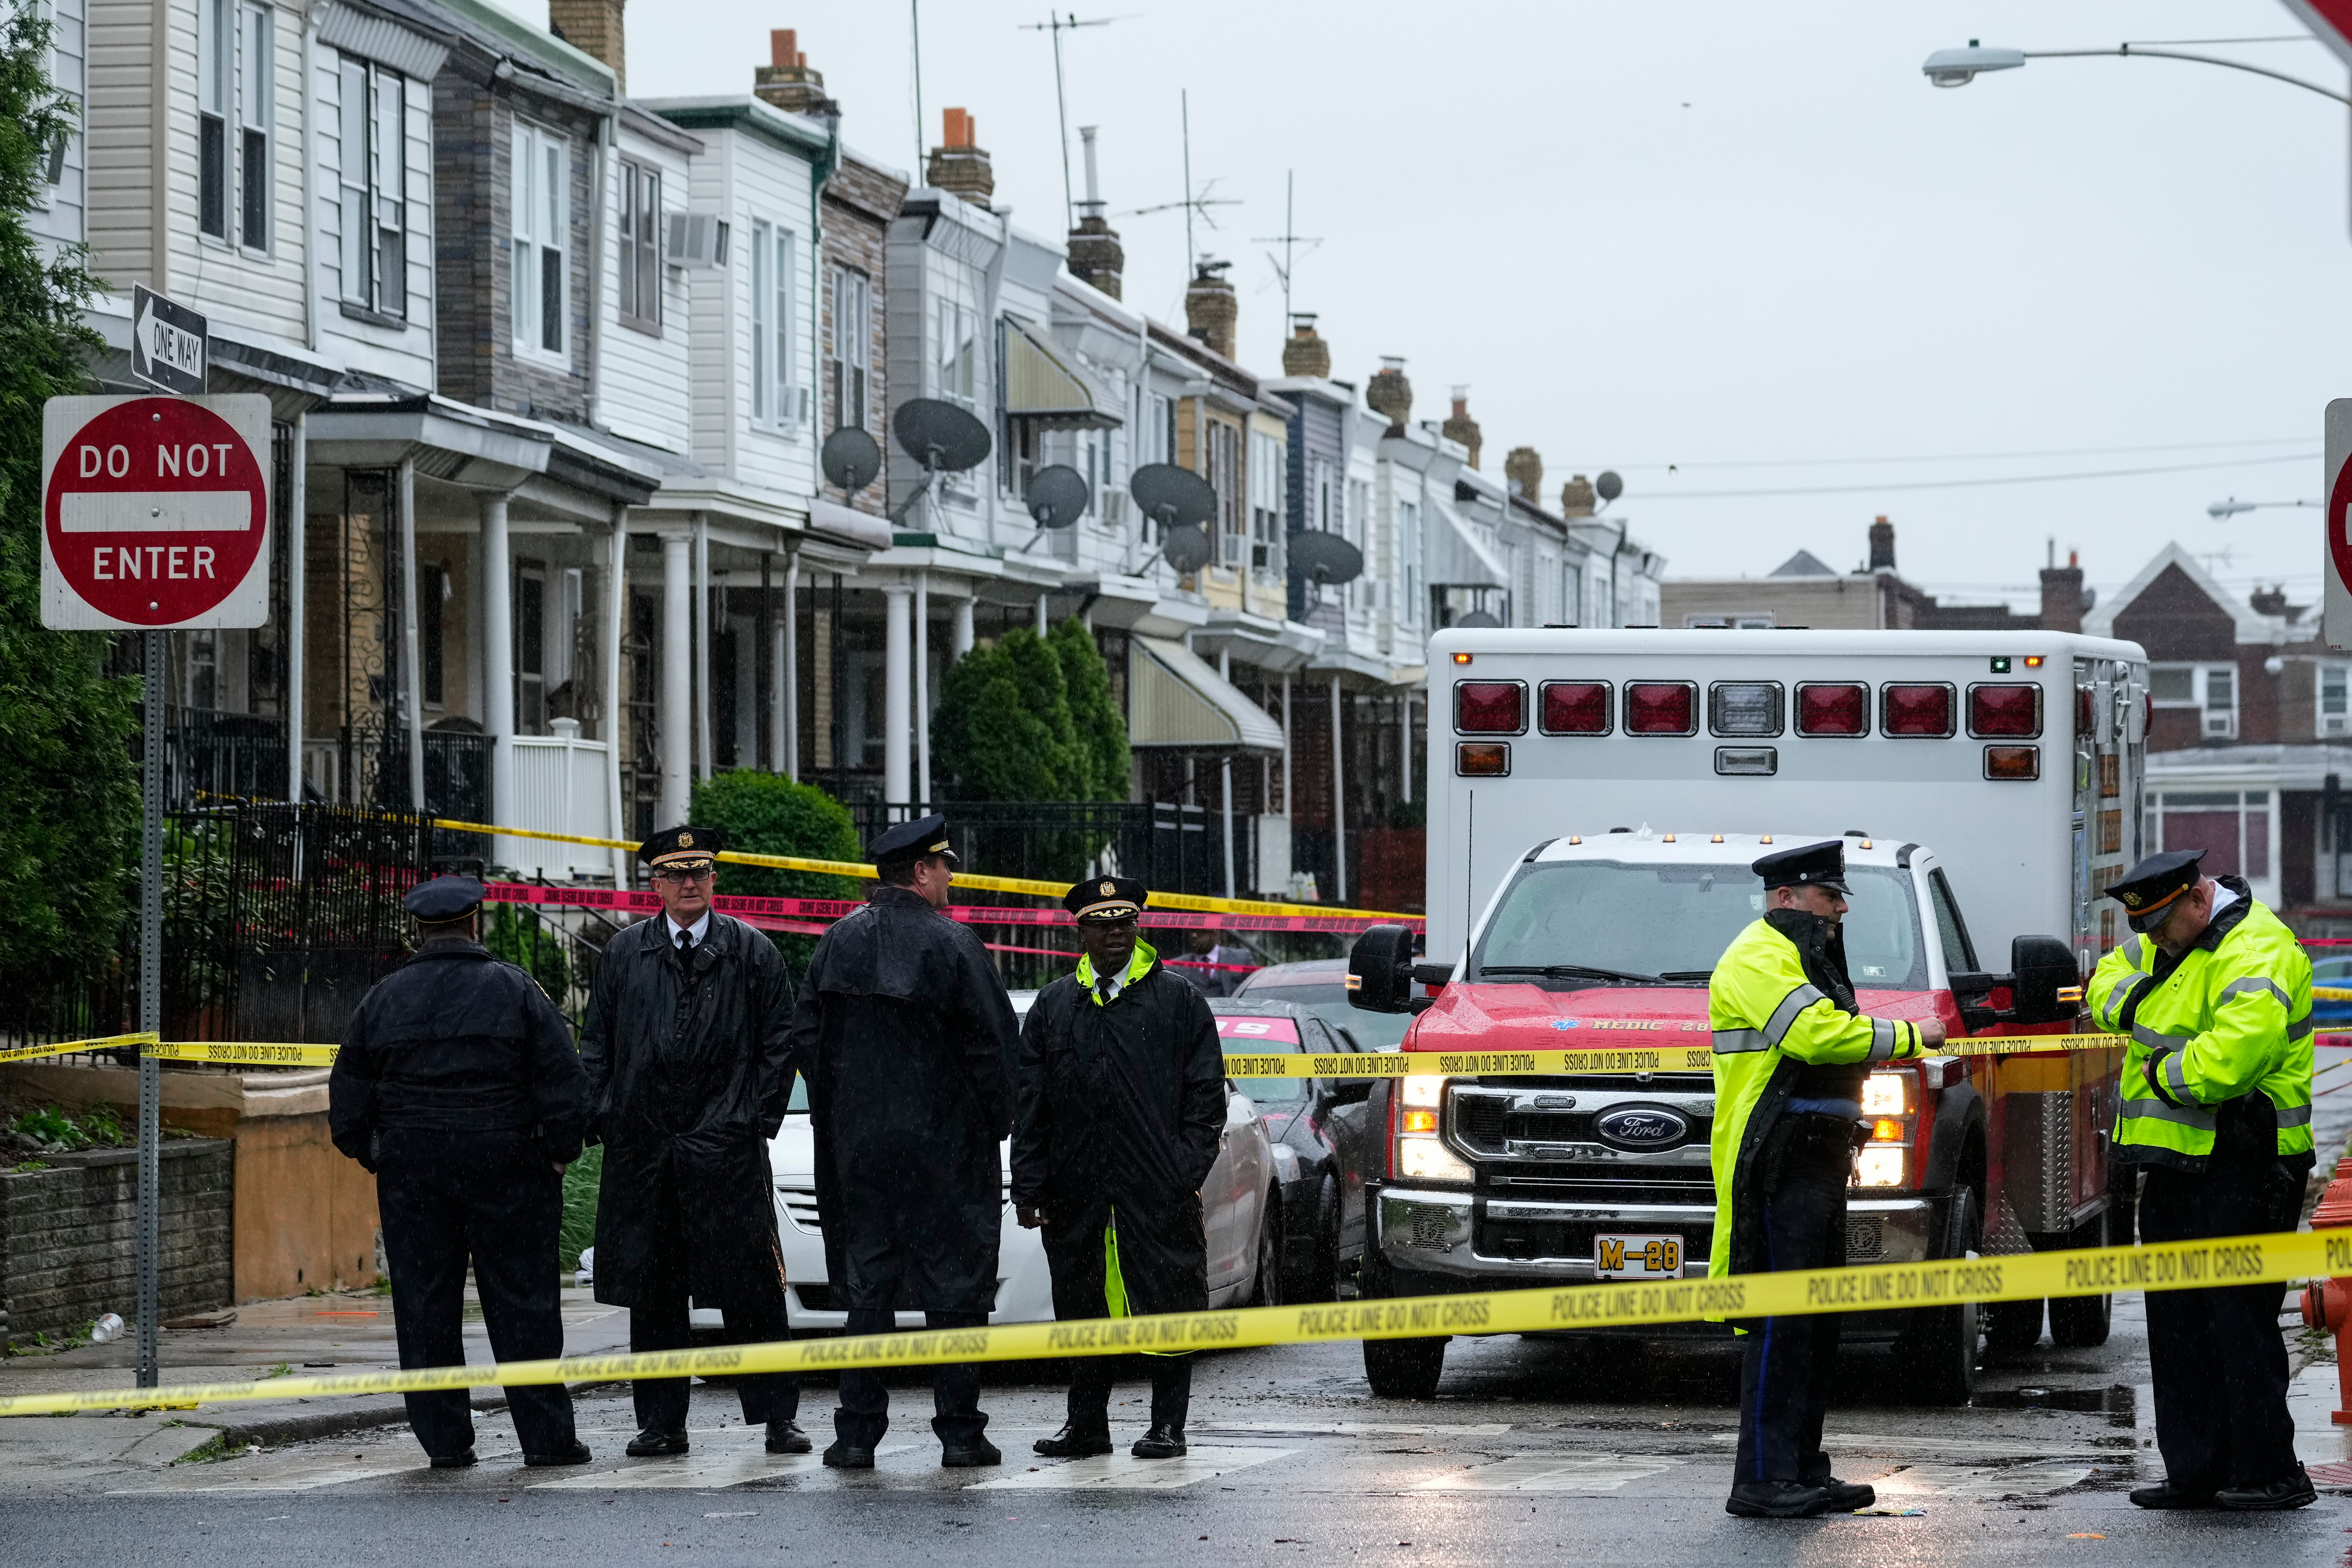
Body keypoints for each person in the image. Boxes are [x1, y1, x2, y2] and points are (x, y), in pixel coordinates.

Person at [1707, 839, 1944, 1519]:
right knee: (1782, 1323)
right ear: (1786, 897)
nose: (1840, 909)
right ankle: (1762, 1478)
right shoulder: (1759, 955)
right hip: (1777, 1161)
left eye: (1839, 897)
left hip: (1815, 1159)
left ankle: (1803, 1469)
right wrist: (1907, 1036)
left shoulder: (1800, 954)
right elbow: (1815, 1037)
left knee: (1813, 1320)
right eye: (1828, 896)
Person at [328, 874, 592, 1469]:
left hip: (414, 1173)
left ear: (419, 931)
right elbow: (564, 1082)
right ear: (476, 923)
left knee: (425, 1307)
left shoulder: (383, 998)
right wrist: (558, 1151)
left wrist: (382, 1152)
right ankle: (547, 1441)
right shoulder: (515, 990)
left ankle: (444, 1443)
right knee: (524, 1305)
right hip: (510, 1167)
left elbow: (346, 1102)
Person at [785, 813, 1021, 1469]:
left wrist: (841, 1116)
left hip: (858, 1156)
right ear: (920, 872)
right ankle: (961, 1434)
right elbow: (996, 1049)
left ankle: (856, 1434)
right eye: (944, 865)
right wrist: (992, 1124)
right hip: (946, 1154)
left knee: (867, 1295)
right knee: (955, 1295)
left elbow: (805, 1037)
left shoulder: (836, 943)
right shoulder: (955, 946)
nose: (951, 876)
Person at [2089, 848, 2316, 1511]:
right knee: (2178, 1324)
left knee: (2239, 1323)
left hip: (2248, 1164)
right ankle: (2197, 1471)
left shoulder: (2258, 950)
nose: (2152, 942)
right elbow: (2105, 982)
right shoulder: (2162, 941)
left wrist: (2159, 1067)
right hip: (2173, 1165)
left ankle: (2271, 1472)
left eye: (2161, 927)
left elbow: (2228, 1064)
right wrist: (2143, 1000)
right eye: (2146, 931)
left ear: (2197, 898)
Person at [580, 826, 803, 1458]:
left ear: (714, 879)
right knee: (654, 1293)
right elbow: (597, 1044)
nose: (689, 885)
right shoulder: (626, 954)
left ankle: (777, 1418)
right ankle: (660, 1422)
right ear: (655, 884)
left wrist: (753, 1121)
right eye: (676, 875)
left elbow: (779, 1043)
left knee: (753, 1289)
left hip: (727, 1152)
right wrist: (604, 1116)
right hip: (647, 1154)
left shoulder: (751, 952)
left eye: (699, 873)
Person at [1013, 876, 1225, 1460]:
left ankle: (1167, 1426)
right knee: (1081, 1308)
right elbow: (1030, 1104)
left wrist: (1181, 1172)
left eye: (1124, 924)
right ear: (1080, 932)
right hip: (1076, 1193)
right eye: (1102, 926)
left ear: (1138, 927)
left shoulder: (1177, 1000)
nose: (1115, 935)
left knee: (1167, 1301)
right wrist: (1029, 1186)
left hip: (1156, 1193)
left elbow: (1206, 1099)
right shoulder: (1056, 1005)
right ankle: (1086, 1425)